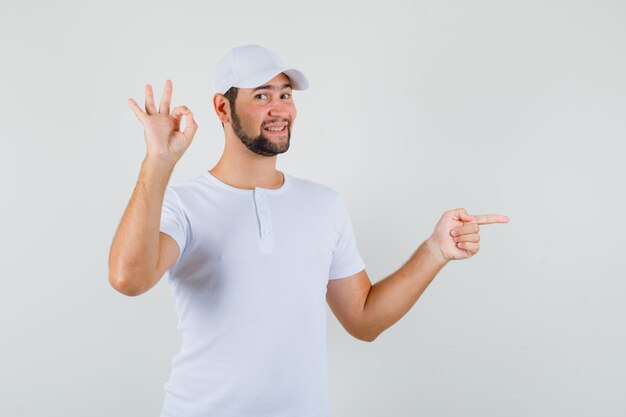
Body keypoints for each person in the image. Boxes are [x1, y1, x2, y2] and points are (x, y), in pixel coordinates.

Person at [108, 44, 509, 417]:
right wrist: (158, 162)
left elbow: (364, 320)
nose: (280, 108)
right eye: (262, 95)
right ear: (222, 108)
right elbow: (128, 278)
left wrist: (434, 251)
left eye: (286, 95)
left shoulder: (323, 204)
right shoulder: (183, 203)